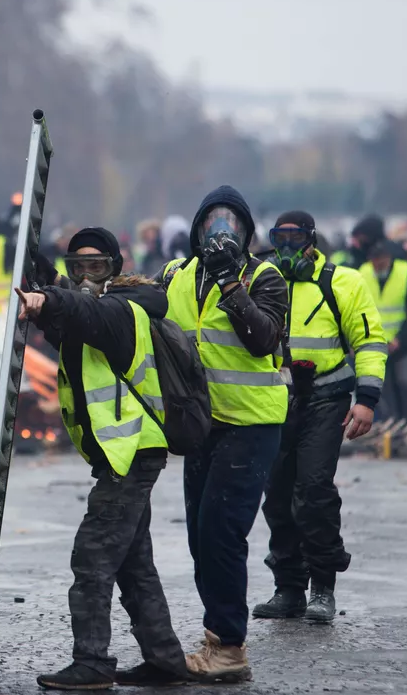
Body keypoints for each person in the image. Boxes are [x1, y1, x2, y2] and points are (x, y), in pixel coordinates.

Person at [20, 228, 189, 691]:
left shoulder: (121, 309)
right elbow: (69, 322)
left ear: (115, 267)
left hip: (130, 454)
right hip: (127, 454)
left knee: (92, 559)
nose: (85, 275)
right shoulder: (92, 310)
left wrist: (48, 300)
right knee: (135, 565)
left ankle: (92, 663)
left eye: (95, 266)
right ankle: (166, 660)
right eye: (78, 266)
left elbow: (79, 311)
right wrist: (39, 273)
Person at [154, 185, 288, 682]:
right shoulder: (177, 276)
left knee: (221, 534)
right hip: (204, 429)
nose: (222, 229)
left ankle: (229, 649)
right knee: (199, 538)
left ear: (248, 232)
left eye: (232, 221)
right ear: (196, 228)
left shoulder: (265, 277)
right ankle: (217, 637)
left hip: (252, 423)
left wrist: (233, 285)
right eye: (213, 220)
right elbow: (131, 312)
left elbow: (263, 340)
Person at [251, 211, 383, 624]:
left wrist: (367, 400)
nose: (287, 246)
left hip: (327, 398)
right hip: (275, 400)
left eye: (296, 237)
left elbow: (369, 340)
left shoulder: (343, 282)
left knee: (313, 488)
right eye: (279, 237)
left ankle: (322, 587)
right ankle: (288, 588)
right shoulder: (261, 279)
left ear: (313, 241)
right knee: (277, 493)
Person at [359, 241, 407, 422]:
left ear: (389, 258)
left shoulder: (405, 273)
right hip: (376, 343)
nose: (377, 266)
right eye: (374, 262)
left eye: (381, 261)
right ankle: (389, 425)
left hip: (402, 342)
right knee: (383, 389)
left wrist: (400, 338)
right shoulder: (363, 273)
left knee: (406, 383)